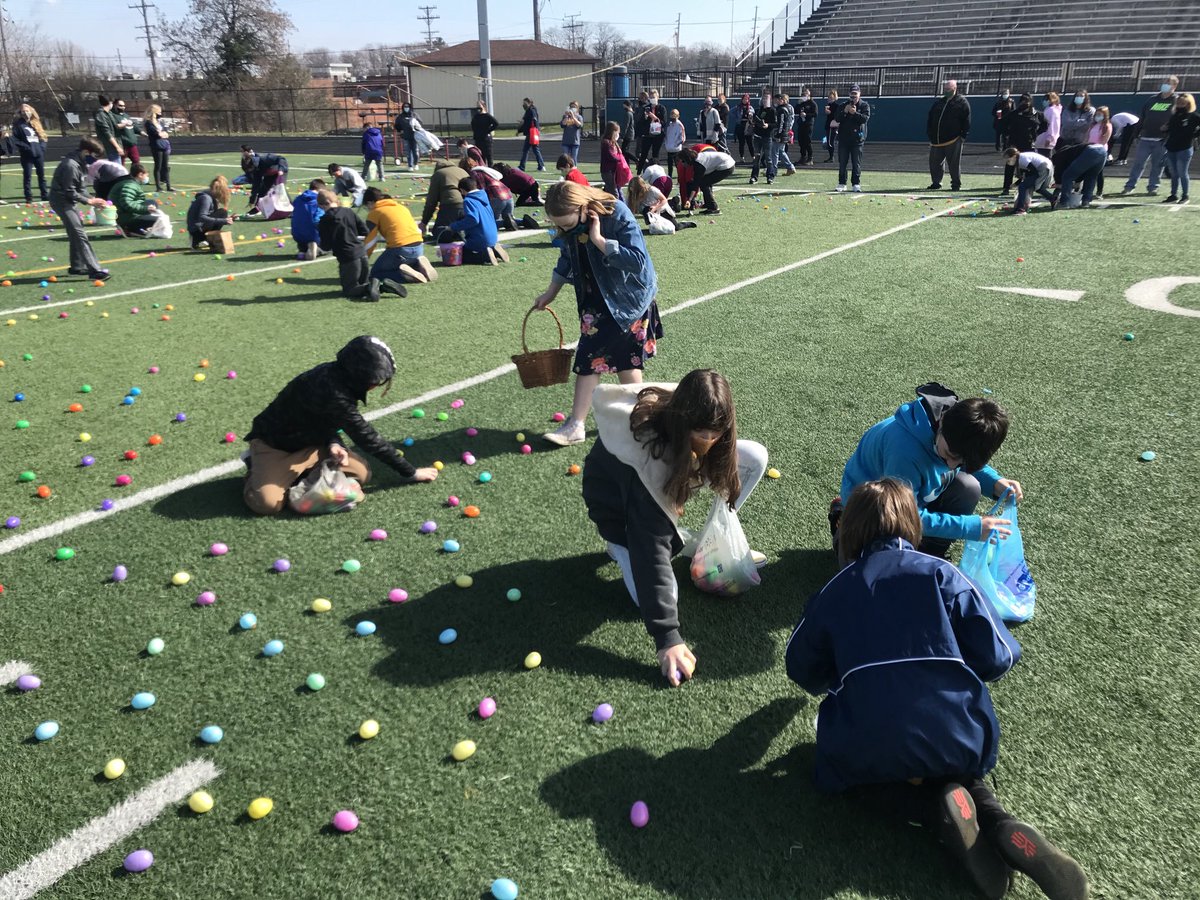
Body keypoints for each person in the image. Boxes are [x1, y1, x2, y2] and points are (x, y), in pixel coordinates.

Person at [786, 478, 1089, 900]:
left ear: (848, 529)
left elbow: (800, 668)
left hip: (868, 740)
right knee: (954, 760)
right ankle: (999, 821)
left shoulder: (834, 590)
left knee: (851, 775)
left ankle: (933, 812)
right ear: (912, 525)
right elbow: (1000, 656)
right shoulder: (945, 573)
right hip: (958, 731)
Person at [583, 371, 768, 686]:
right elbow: (650, 549)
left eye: (716, 433)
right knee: (649, 596)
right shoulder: (647, 458)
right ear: (683, 423)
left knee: (755, 457)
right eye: (701, 433)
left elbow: (718, 447)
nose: (709, 441)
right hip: (619, 514)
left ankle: (708, 541)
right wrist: (668, 638)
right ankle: (617, 546)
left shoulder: (695, 409)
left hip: (666, 475)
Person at [243, 335, 437, 516]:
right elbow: (366, 437)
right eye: (374, 380)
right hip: (275, 446)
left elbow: (320, 418)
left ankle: (303, 474)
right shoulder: (334, 392)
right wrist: (411, 472)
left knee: (362, 473)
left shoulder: (339, 376)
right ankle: (254, 464)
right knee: (267, 504)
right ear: (358, 374)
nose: (376, 385)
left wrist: (333, 443)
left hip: (312, 444)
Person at [533, 180, 661, 447]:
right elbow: (567, 258)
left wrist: (600, 240)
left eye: (569, 224)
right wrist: (550, 293)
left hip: (628, 300)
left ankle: (577, 425)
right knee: (627, 362)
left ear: (584, 207)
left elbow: (637, 262)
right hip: (595, 299)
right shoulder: (569, 225)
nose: (566, 229)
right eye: (561, 226)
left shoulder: (616, 213)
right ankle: (645, 420)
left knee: (591, 358)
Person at [832, 382, 1021, 560]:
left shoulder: (956, 429)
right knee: (871, 576)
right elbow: (903, 514)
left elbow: (962, 457)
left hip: (910, 496)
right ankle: (844, 524)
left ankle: (929, 553)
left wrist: (995, 482)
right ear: (943, 423)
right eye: (949, 455)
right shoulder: (904, 452)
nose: (952, 465)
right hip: (873, 509)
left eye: (961, 461)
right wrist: (969, 527)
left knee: (968, 487)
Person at [48, 137, 110, 281]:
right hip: (62, 201)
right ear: (86, 151)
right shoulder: (70, 165)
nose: (94, 160)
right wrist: (89, 201)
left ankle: (76, 266)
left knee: (76, 231)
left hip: (68, 200)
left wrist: (94, 199)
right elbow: (69, 191)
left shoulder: (79, 163)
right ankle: (95, 271)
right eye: (94, 156)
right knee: (79, 234)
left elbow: (80, 188)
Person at [315, 188, 386, 302]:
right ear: (336, 200)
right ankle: (381, 286)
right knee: (363, 282)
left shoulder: (325, 220)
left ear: (321, 205)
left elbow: (326, 246)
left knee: (349, 290)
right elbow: (364, 231)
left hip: (348, 257)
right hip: (362, 253)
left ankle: (373, 286)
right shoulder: (348, 211)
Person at [362, 186, 438, 285]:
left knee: (375, 273)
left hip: (400, 249)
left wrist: (363, 258)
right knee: (401, 260)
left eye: (367, 206)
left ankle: (405, 275)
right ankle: (418, 266)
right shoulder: (401, 207)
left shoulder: (375, 213)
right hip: (419, 247)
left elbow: (370, 241)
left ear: (370, 202)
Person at [1121, 76, 1180, 196]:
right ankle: (1130, 186)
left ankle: (1153, 187)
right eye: (1164, 82)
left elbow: (1177, 120)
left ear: (1174, 86)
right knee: (1138, 163)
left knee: (1157, 165)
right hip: (1145, 138)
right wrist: (1136, 134)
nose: (1165, 84)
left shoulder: (1176, 101)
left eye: (1168, 83)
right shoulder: (1152, 100)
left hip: (1162, 140)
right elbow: (1142, 117)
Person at [1054, 107, 1109, 209]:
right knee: (1091, 177)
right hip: (1102, 152)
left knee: (1067, 176)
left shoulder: (1061, 155)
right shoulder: (1071, 150)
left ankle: (1064, 203)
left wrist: (1058, 182)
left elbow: (1063, 171)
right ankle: (1086, 202)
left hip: (1091, 151)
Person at [450, 176, 510, 265]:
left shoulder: (468, 200)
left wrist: (454, 226)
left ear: (462, 190)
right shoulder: (483, 196)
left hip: (480, 238)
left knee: (462, 255)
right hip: (493, 236)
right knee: (473, 247)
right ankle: (494, 251)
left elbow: (473, 219)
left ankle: (485, 256)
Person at [927, 79, 972, 191]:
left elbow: (966, 120)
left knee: (954, 164)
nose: (946, 91)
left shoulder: (962, 102)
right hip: (936, 140)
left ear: (954, 89)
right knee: (935, 163)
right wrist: (930, 133)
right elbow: (930, 117)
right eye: (945, 89)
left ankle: (956, 184)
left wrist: (963, 136)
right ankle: (936, 182)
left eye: (948, 89)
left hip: (953, 139)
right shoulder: (939, 103)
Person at [418, 157, 472, 239]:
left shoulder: (438, 174)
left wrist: (424, 222)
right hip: (469, 204)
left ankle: (455, 234)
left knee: (439, 231)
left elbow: (431, 201)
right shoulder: (462, 171)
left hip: (451, 205)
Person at [1163, 92, 1199, 204]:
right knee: (1174, 173)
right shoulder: (1174, 116)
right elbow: (1171, 129)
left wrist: (1194, 135)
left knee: (1182, 172)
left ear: (1188, 104)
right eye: (1178, 103)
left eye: (1182, 103)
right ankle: (1173, 195)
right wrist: (1165, 128)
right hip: (1171, 147)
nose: (1179, 105)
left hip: (1185, 148)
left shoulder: (1193, 116)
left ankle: (1185, 195)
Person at [1000, 94, 1040, 194]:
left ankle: (1025, 186)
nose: (1025, 104)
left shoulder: (1036, 114)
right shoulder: (1014, 114)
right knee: (1010, 165)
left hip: (1028, 144)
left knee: (1027, 167)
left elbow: (1044, 124)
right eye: (1022, 101)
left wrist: (1035, 135)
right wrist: (1008, 135)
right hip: (1015, 144)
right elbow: (1002, 124)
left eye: (1027, 101)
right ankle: (1006, 187)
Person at [676, 146, 735, 214]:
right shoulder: (697, 160)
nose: (682, 164)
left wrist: (689, 200)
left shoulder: (699, 165)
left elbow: (696, 184)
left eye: (683, 161)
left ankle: (713, 208)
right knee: (705, 181)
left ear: (688, 159)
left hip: (727, 165)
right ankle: (708, 203)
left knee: (704, 183)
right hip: (725, 161)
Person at [626, 175, 695, 231]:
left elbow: (664, 200)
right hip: (649, 213)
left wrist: (655, 207)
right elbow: (629, 210)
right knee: (647, 210)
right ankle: (673, 204)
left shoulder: (652, 190)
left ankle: (685, 223)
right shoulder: (632, 196)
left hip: (661, 209)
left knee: (675, 227)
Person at [110, 163, 162, 236]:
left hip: (123, 213)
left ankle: (132, 226)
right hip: (124, 217)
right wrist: (145, 209)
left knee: (152, 203)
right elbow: (126, 203)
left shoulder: (130, 182)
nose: (147, 178)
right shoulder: (130, 185)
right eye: (146, 175)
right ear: (140, 175)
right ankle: (129, 228)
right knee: (159, 220)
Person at [835, 86, 871, 192]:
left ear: (859, 94)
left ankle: (856, 183)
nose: (853, 96)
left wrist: (854, 113)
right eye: (852, 93)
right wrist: (845, 112)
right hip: (844, 139)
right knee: (842, 162)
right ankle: (842, 183)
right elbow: (837, 118)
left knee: (856, 163)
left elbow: (865, 119)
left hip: (857, 140)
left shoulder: (864, 105)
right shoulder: (843, 105)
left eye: (855, 93)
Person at [11, 104, 48, 203]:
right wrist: (26, 148)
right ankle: (29, 197)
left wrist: (41, 148)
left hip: (38, 154)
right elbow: (15, 140)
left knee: (41, 175)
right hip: (27, 156)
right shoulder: (18, 125)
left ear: (31, 111)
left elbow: (43, 138)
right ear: (20, 113)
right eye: (23, 111)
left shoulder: (36, 123)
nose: (25, 113)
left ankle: (44, 195)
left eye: (27, 111)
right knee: (27, 176)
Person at [186, 175, 234, 249]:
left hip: (199, 227)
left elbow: (211, 215)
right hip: (196, 231)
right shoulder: (206, 198)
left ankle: (207, 238)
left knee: (222, 213)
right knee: (222, 212)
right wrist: (223, 220)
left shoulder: (210, 196)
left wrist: (228, 218)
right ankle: (197, 239)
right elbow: (202, 217)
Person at [1003, 148, 1055, 214]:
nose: (1008, 163)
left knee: (1024, 186)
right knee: (1037, 187)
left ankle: (1021, 209)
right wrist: (1016, 183)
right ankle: (1053, 198)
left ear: (1014, 156)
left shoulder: (1022, 159)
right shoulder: (1020, 159)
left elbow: (1034, 171)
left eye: (1008, 160)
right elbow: (1026, 175)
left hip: (1043, 167)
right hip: (1045, 166)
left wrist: (1025, 182)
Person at [241, 146, 288, 214]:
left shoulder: (264, 159)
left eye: (250, 169)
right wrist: (252, 200)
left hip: (279, 171)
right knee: (262, 192)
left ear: (253, 165)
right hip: (269, 174)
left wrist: (281, 170)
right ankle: (257, 209)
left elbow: (281, 158)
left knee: (279, 191)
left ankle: (289, 209)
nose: (250, 171)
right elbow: (255, 186)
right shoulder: (255, 171)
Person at [291, 179, 325, 260]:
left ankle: (302, 250)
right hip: (312, 234)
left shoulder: (298, 199)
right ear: (320, 189)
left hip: (296, 234)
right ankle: (318, 249)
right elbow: (319, 218)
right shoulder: (319, 200)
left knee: (302, 235)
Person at [767, 94, 796, 183]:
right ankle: (790, 167)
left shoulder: (782, 109)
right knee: (781, 151)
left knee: (774, 152)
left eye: (778, 100)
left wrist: (779, 135)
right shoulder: (784, 108)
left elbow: (781, 124)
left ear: (782, 100)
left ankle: (774, 171)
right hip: (784, 133)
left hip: (781, 134)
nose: (776, 101)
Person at [747, 93, 775, 184]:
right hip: (757, 136)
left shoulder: (772, 111)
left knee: (768, 158)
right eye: (763, 99)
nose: (765, 101)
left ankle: (770, 176)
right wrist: (752, 121)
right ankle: (754, 177)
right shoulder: (758, 110)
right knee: (756, 158)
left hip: (767, 137)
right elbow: (754, 122)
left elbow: (775, 123)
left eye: (767, 99)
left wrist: (768, 125)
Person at [143, 104, 172, 192]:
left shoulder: (159, 122)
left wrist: (163, 134)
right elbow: (156, 134)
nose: (160, 113)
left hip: (164, 145)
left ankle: (169, 186)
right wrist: (161, 134)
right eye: (159, 111)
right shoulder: (148, 123)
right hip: (156, 146)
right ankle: (158, 187)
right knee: (158, 166)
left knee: (165, 166)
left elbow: (166, 133)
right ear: (154, 112)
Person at [517, 97, 545, 172]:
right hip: (532, 132)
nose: (523, 105)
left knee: (526, 150)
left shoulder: (531, 110)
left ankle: (522, 166)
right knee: (535, 149)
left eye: (524, 103)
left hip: (531, 133)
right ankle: (541, 166)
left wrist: (536, 129)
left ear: (529, 103)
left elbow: (533, 120)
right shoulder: (530, 110)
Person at [93, 95, 122, 163]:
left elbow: (115, 126)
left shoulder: (109, 113)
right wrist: (117, 147)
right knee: (115, 171)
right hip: (109, 148)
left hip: (113, 147)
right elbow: (107, 133)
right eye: (112, 103)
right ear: (110, 103)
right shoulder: (101, 115)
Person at [599, 122, 625, 195]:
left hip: (612, 171)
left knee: (609, 190)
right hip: (607, 171)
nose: (618, 134)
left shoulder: (612, 142)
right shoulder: (606, 142)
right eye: (617, 132)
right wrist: (619, 159)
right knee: (614, 193)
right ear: (612, 132)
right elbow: (610, 156)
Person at [112, 99, 141, 165]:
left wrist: (141, 132)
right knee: (121, 164)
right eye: (120, 106)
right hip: (122, 144)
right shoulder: (112, 115)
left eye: (124, 106)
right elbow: (114, 126)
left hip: (131, 143)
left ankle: (134, 175)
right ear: (115, 105)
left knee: (137, 163)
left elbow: (133, 126)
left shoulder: (126, 115)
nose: (122, 107)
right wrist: (125, 124)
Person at [471, 100, 499, 166]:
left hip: (486, 140)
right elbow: (473, 125)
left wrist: (488, 130)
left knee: (489, 158)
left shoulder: (487, 116)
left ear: (483, 106)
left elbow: (496, 123)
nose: (478, 108)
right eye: (477, 106)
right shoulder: (476, 116)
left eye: (479, 106)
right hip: (478, 140)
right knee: (480, 158)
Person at [795, 87, 817, 166]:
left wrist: (806, 115)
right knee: (801, 141)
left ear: (809, 94)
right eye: (803, 94)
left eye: (805, 94)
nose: (804, 95)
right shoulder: (801, 103)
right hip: (801, 124)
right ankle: (803, 157)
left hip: (808, 125)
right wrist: (798, 103)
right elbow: (795, 110)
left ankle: (810, 158)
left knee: (807, 141)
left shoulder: (812, 103)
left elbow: (815, 114)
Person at [396, 103, 420, 171]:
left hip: (415, 136)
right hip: (406, 136)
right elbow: (397, 125)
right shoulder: (400, 117)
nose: (406, 108)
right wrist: (400, 130)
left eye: (407, 107)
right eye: (404, 107)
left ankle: (416, 164)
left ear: (410, 107)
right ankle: (410, 165)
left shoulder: (414, 115)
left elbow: (420, 123)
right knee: (408, 152)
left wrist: (416, 128)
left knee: (415, 151)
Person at [663, 109, 685, 178]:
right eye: (671, 116)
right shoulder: (669, 125)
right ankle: (669, 178)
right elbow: (667, 136)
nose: (672, 118)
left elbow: (682, 138)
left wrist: (676, 145)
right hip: (669, 149)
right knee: (669, 166)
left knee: (678, 165)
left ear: (678, 116)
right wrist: (667, 144)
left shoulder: (680, 125)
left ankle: (680, 178)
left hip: (676, 150)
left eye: (674, 116)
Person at [733, 93, 755, 162]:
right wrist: (737, 118)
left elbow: (753, 113)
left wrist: (750, 114)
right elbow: (731, 112)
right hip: (740, 126)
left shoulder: (750, 107)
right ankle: (742, 157)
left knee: (750, 143)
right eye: (744, 99)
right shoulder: (738, 107)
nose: (745, 100)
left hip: (748, 126)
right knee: (741, 143)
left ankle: (753, 157)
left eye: (746, 99)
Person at [561, 100, 584, 165]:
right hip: (566, 141)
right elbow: (563, 125)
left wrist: (573, 117)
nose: (573, 108)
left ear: (577, 108)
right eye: (571, 107)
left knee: (574, 158)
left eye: (575, 107)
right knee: (566, 158)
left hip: (575, 141)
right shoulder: (565, 116)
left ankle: (574, 170)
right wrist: (566, 116)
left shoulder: (579, 117)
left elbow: (580, 125)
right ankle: (566, 171)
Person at [823, 89, 840, 162]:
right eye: (828, 97)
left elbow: (836, 115)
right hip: (829, 125)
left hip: (833, 126)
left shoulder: (836, 106)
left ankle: (831, 157)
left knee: (831, 141)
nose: (829, 99)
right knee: (829, 141)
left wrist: (830, 112)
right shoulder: (828, 105)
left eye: (830, 98)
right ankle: (830, 156)